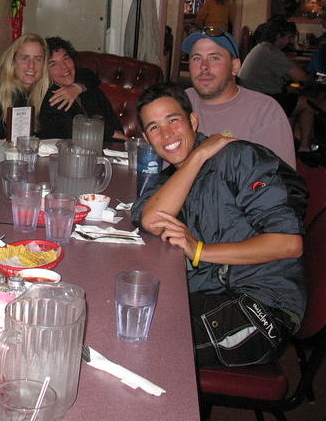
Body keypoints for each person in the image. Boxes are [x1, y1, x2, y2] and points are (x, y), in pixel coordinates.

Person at [131, 83, 307, 368]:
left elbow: (288, 244)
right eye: (154, 128)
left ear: (193, 121)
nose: (165, 134)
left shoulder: (239, 158)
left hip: (261, 307)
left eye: (173, 120)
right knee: (128, 317)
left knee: (139, 340)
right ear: (146, 139)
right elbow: (151, 219)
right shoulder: (170, 179)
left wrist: (199, 250)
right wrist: (197, 157)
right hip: (211, 294)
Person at [182, 28, 296, 168]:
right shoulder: (181, 102)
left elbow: (280, 183)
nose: (204, 67)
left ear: (235, 67)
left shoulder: (265, 111)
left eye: (214, 58)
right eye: (197, 58)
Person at [239, 21, 315, 151]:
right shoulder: (272, 52)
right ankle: (304, 147)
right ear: (278, 36)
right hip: (262, 100)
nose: (290, 41)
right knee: (308, 104)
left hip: (252, 96)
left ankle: (287, 144)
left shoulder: (260, 48)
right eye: (289, 37)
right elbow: (301, 77)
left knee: (293, 100)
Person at [37, 36, 124, 141]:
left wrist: (77, 87)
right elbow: (72, 131)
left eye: (66, 58)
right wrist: (111, 133)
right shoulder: (52, 99)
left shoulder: (89, 88)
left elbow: (89, 74)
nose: (64, 67)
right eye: (53, 64)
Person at [0, 33, 50, 139]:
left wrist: (77, 87)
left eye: (38, 59)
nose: (31, 66)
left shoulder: (45, 90)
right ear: (13, 62)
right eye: (24, 58)